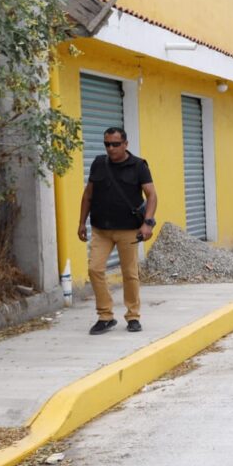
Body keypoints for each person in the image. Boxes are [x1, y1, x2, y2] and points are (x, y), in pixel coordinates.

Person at [77, 127, 158, 335]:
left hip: (128, 230)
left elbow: (151, 195)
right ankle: (105, 316)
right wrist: (81, 222)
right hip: (101, 229)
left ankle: (133, 316)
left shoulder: (138, 166)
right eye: (107, 144)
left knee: (129, 273)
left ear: (125, 144)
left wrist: (148, 223)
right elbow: (88, 195)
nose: (111, 148)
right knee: (95, 269)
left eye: (115, 144)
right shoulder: (98, 164)